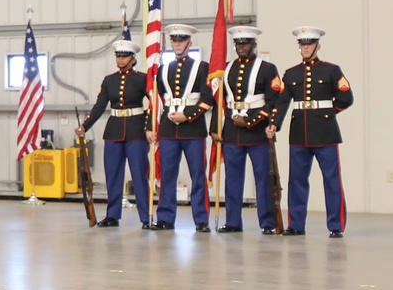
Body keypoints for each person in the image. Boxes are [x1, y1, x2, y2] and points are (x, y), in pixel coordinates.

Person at [267, 26, 353, 238]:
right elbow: (282, 101)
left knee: (332, 181)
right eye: (302, 44)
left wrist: (328, 112)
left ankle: (336, 226)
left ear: (318, 46)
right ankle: (296, 225)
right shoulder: (291, 73)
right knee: (296, 181)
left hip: (326, 132)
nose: (305, 48)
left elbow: (346, 97)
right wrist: (274, 123)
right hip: (299, 133)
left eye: (309, 44)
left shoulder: (332, 70)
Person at [209, 26, 283, 234]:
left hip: (257, 132)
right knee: (232, 179)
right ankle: (233, 221)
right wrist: (215, 127)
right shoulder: (226, 68)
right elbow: (219, 101)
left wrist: (250, 120)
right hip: (232, 130)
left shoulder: (268, 69)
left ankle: (268, 223)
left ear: (254, 44)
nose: (241, 47)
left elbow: (273, 101)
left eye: (245, 43)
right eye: (238, 43)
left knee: (263, 179)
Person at [75, 39, 151, 229]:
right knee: (113, 175)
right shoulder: (110, 80)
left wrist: (149, 125)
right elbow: (100, 106)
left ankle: (145, 216)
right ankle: (112, 215)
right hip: (114, 130)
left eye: (124, 56)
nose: (120, 59)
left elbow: (153, 103)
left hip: (136, 130)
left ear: (133, 59)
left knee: (139, 175)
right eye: (118, 56)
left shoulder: (142, 78)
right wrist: (85, 125)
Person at [152, 24, 214, 233]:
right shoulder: (162, 69)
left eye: (181, 40)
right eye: (174, 40)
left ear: (190, 43)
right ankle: (165, 218)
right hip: (169, 129)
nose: (177, 44)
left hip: (193, 129)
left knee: (198, 175)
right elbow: (158, 99)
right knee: (167, 176)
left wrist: (187, 115)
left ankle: (201, 219)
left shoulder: (202, 67)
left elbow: (208, 99)